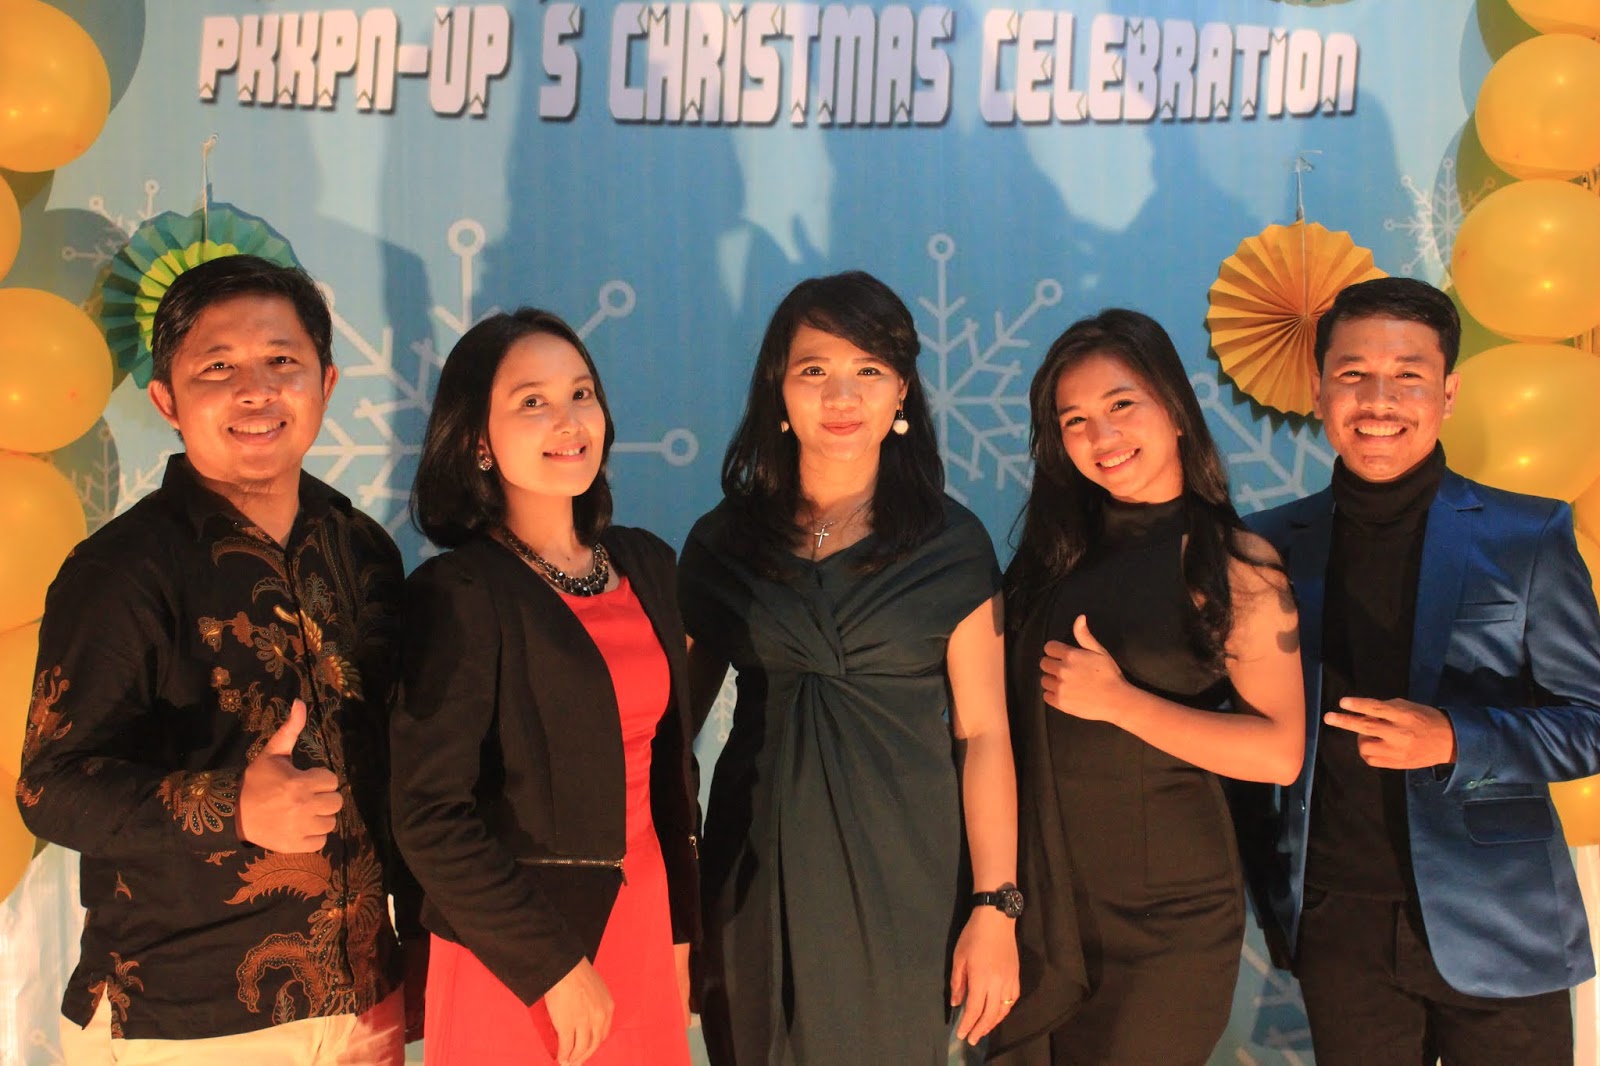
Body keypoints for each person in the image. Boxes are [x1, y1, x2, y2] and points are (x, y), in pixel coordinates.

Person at [17, 254, 420, 1064]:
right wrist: (232, 805)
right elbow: (50, 787)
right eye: (217, 368)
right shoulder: (123, 568)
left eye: (282, 360)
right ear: (166, 400)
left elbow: (398, 765)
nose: (256, 391)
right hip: (186, 1017)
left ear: (326, 383)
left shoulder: (364, 550)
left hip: (364, 1003)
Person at [1243, 276, 1600, 1066]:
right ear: (1318, 390)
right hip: (1340, 924)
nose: (1378, 401)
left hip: (1502, 919)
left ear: (1448, 393)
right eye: (1353, 374)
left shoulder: (1526, 534)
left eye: (1408, 375)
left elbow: (1591, 724)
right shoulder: (1264, 545)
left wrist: (1454, 739)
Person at [679, 271, 1021, 1064]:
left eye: (868, 369)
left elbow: (984, 733)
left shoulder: (953, 545)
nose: (842, 395)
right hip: (751, 869)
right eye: (814, 370)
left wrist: (995, 905)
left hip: (904, 876)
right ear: (778, 389)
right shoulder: (723, 543)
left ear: (902, 390)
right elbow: (667, 734)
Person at [989, 309, 1304, 1066]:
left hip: (1168, 922)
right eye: (1074, 420)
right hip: (1040, 909)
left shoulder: (1231, 562)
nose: (1102, 435)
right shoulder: (1046, 562)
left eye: (1121, 404)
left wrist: (1121, 703)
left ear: (1176, 410)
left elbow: (1279, 752)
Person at [390, 309, 699, 1066]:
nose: (568, 420)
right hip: (520, 952)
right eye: (532, 401)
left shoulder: (647, 563)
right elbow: (428, 815)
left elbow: (673, 771)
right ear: (477, 440)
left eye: (581, 393)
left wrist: (683, 929)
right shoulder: (459, 592)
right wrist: (552, 967)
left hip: (646, 921)